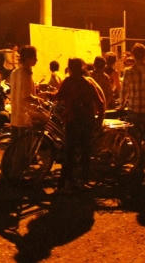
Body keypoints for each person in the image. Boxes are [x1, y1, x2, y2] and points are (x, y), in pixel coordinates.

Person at [56, 58, 105, 193]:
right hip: (87, 121)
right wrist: (99, 120)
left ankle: (67, 182)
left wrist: (47, 94)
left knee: (69, 151)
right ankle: (83, 180)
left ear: (71, 69)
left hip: (73, 121)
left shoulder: (68, 81)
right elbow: (100, 103)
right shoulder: (87, 82)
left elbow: (59, 96)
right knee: (85, 151)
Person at [3, 45, 42, 181]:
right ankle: (16, 176)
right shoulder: (25, 73)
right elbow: (26, 96)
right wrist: (39, 99)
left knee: (14, 145)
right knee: (22, 147)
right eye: (34, 57)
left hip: (15, 114)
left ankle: (9, 172)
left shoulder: (15, 72)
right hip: (25, 115)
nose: (36, 60)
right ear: (27, 58)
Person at [121, 43, 145, 172]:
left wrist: (122, 105)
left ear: (133, 55)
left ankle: (138, 164)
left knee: (135, 139)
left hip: (133, 110)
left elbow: (124, 91)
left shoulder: (128, 71)